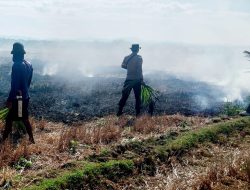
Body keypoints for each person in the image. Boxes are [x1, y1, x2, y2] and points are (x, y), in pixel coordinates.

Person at [2, 42, 35, 143]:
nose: (12, 56)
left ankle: (3, 141)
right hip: (24, 97)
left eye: (14, 54)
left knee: (9, 119)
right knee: (23, 118)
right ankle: (31, 139)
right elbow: (28, 82)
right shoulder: (29, 64)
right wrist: (24, 92)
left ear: (16, 54)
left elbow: (15, 86)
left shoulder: (16, 65)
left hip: (18, 99)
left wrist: (10, 100)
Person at [117, 44, 143, 116]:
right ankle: (138, 114)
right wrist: (142, 79)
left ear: (131, 49)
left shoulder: (126, 57)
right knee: (137, 97)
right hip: (137, 80)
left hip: (128, 79)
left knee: (124, 95)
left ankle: (119, 111)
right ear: (137, 50)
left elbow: (123, 66)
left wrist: (130, 68)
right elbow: (139, 70)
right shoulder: (139, 58)